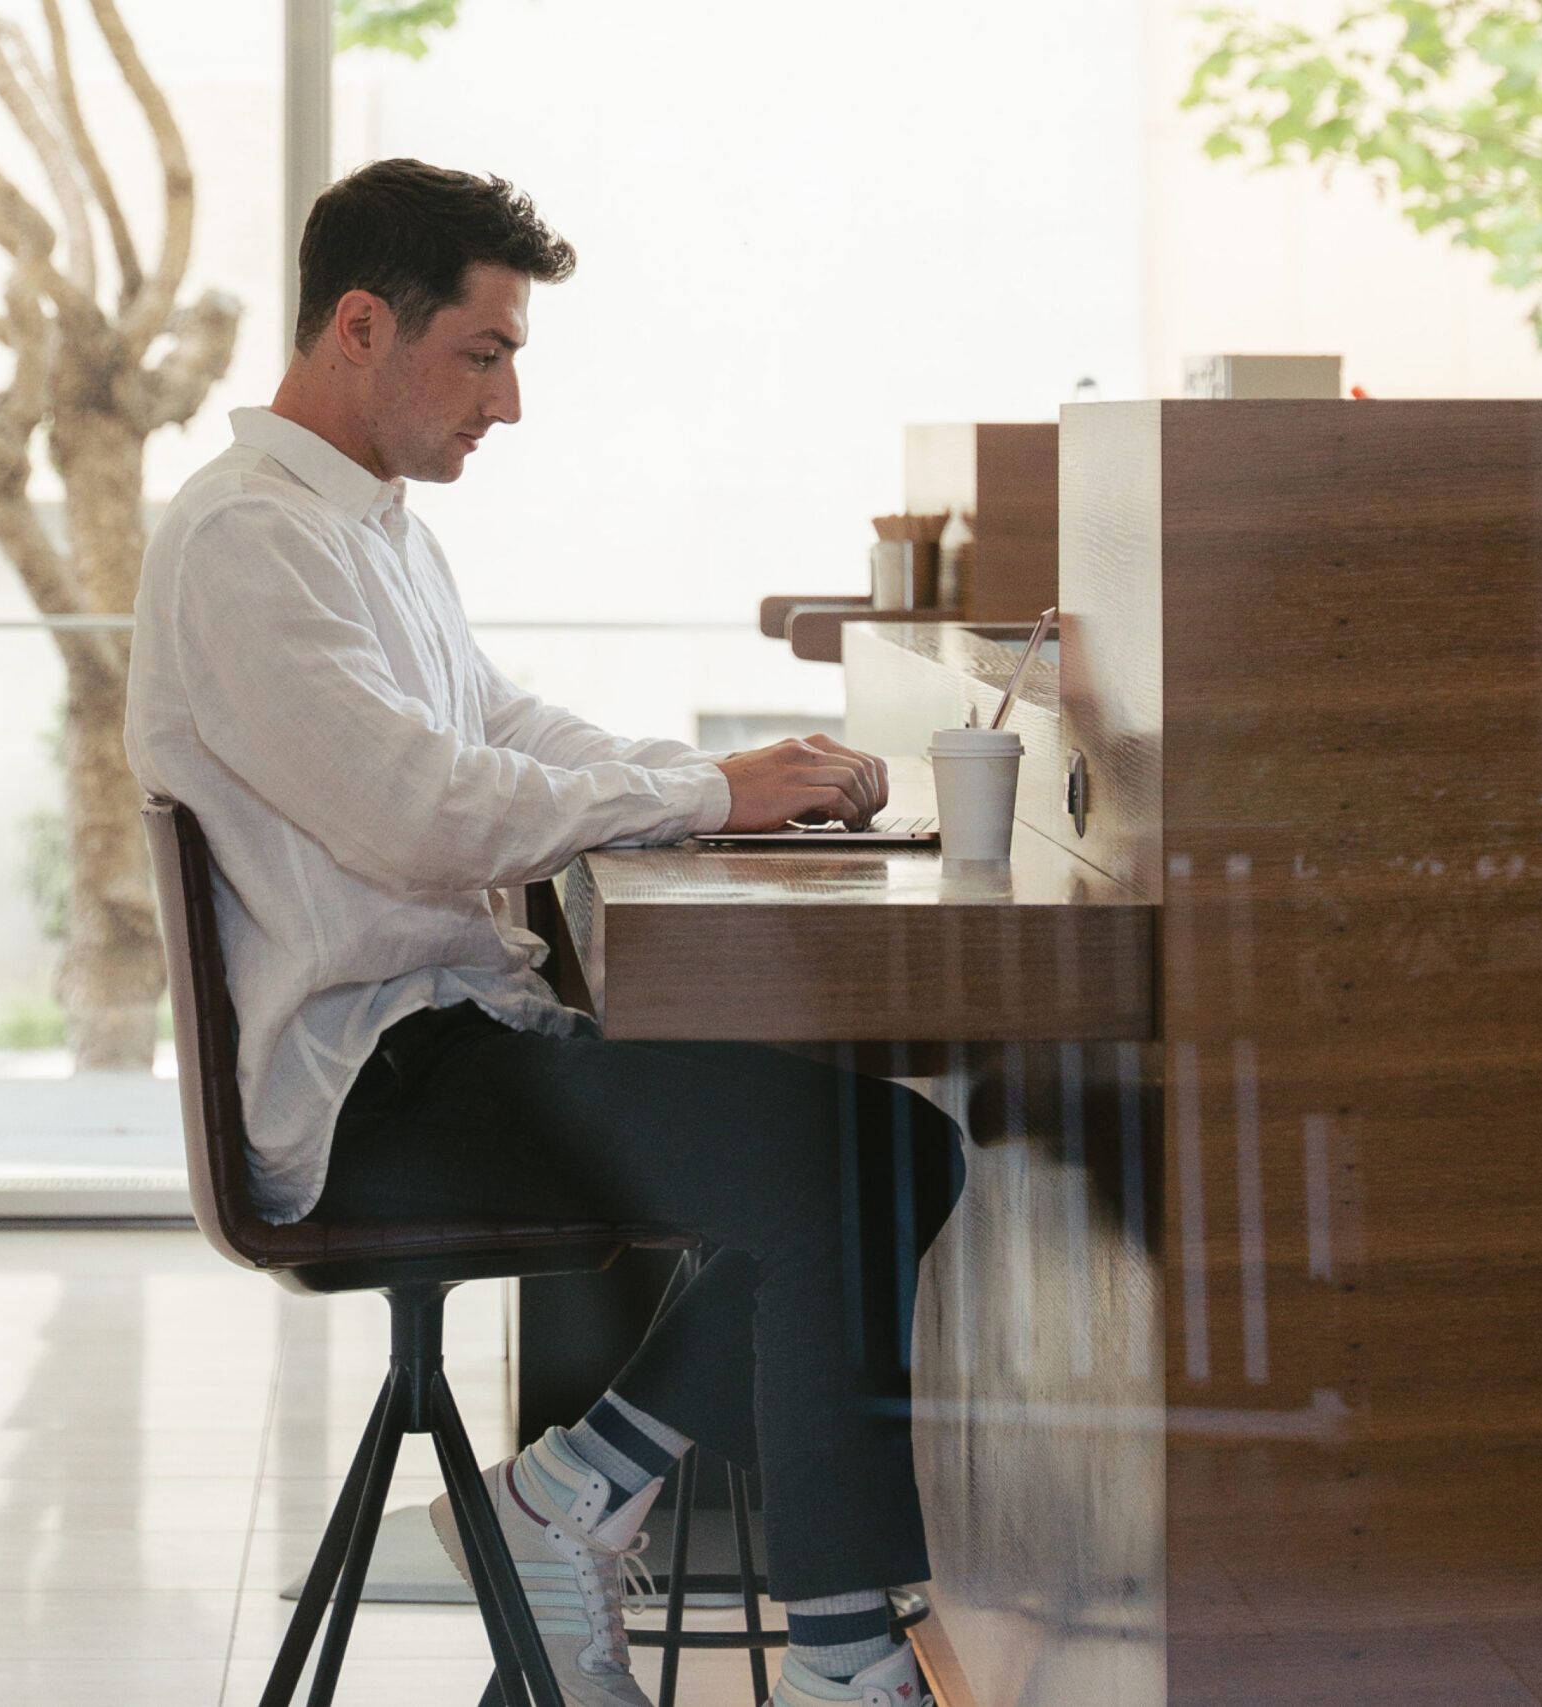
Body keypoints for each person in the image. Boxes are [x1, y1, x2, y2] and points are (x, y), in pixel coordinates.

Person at [125, 157, 961, 1707]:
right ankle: (850, 1661)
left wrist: (723, 788)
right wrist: (709, 789)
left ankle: (564, 1501)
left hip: (460, 1043)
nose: (505, 406)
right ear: (361, 327)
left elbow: (496, 724)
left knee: (894, 1157)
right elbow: (424, 813)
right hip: (382, 1090)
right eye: (485, 354)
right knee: (843, 1173)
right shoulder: (251, 542)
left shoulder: (366, 527)